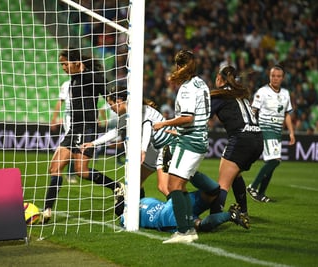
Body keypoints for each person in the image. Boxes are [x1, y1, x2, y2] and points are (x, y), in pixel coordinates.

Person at [41, 48, 124, 223]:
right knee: (56, 168)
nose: (63, 67)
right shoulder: (74, 78)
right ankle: (47, 211)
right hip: (74, 129)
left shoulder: (92, 77)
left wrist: (120, 111)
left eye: (65, 63)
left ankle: (117, 187)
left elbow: (109, 95)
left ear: (76, 62)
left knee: (81, 171)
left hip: (86, 128)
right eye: (61, 64)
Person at [153, 50, 211, 244]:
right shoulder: (201, 83)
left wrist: (164, 124)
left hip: (190, 141)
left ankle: (183, 231)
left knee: (173, 186)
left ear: (179, 66)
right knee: (181, 185)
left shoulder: (187, 88)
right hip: (198, 138)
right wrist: (177, 131)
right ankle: (188, 229)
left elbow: (188, 118)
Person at [81, 86, 175, 198]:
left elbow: (147, 127)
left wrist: (143, 150)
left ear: (119, 101)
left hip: (169, 146)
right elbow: (115, 132)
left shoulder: (138, 109)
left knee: (164, 187)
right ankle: (139, 212)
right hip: (156, 149)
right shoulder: (126, 116)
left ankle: (182, 214)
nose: (111, 108)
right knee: (135, 182)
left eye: (111, 104)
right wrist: (93, 143)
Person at [208, 65, 263, 222]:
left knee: (223, 183)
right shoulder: (241, 95)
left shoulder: (220, 95)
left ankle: (215, 218)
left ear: (219, 78)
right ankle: (243, 211)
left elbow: (203, 116)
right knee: (235, 173)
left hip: (242, 139)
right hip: (258, 140)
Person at [115, 172, 250, 232]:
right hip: (172, 204)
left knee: (199, 225)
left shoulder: (125, 219)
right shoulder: (145, 200)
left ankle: (230, 215)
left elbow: (121, 215)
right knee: (213, 192)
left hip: (166, 219)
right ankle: (189, 172)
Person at [247, 65, 296, 202]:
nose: (275, 78)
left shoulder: (285, 93)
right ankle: (253, 186)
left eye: (278, 76)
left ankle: (261, 194)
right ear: (270, 76)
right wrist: (251, 127)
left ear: (283, 78)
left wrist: (291, 133)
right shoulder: (262, 92)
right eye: (273, 76)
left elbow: (287, 114)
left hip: (277, 131)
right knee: (275, 160)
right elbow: (253, 111)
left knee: (272, 162)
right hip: (265, 128)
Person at [50, 80, 77, 184]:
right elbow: (60, 101)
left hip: (82, 117)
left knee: (77, 144)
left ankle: (71, 172)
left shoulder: (86, 81)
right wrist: (54, 119)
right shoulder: (66, 84)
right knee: (73, 143)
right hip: (69, 117)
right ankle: (70, 173)